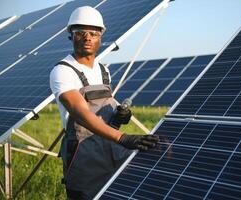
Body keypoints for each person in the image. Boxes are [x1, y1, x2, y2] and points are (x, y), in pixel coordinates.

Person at [49, 6, 159, 200]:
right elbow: (80, 112)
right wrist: (123, 137)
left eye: (93, 33)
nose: (87, 37)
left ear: (101, 37)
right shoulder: (63, 71)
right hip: (83, 153)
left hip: (111, 146)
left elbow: (104, 105)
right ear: (71, 36)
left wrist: (120, 114)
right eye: (80, 32)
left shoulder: (103, 70)